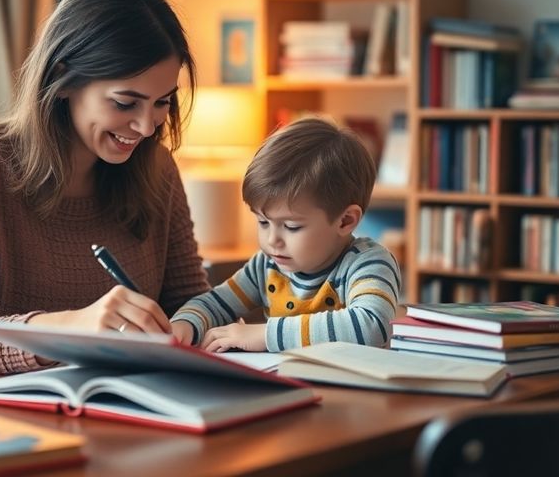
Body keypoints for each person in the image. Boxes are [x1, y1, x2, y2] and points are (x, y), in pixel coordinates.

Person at [0, 0, 210, 383]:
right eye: (125, 102)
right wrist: (74, 328)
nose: (147, 126)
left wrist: (195, 325)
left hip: (98, 406)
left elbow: (192, 303)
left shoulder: (158, 170)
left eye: (161, 103)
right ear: (63, 79)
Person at [170, 117, 400, 353]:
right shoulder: (266, 265)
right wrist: (184, 325)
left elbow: (372, 326)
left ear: (346, 220)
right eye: (263, 222)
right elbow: (214, 304)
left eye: (291, 227)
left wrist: (265, 334)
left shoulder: (368, 263)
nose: (272, 240)